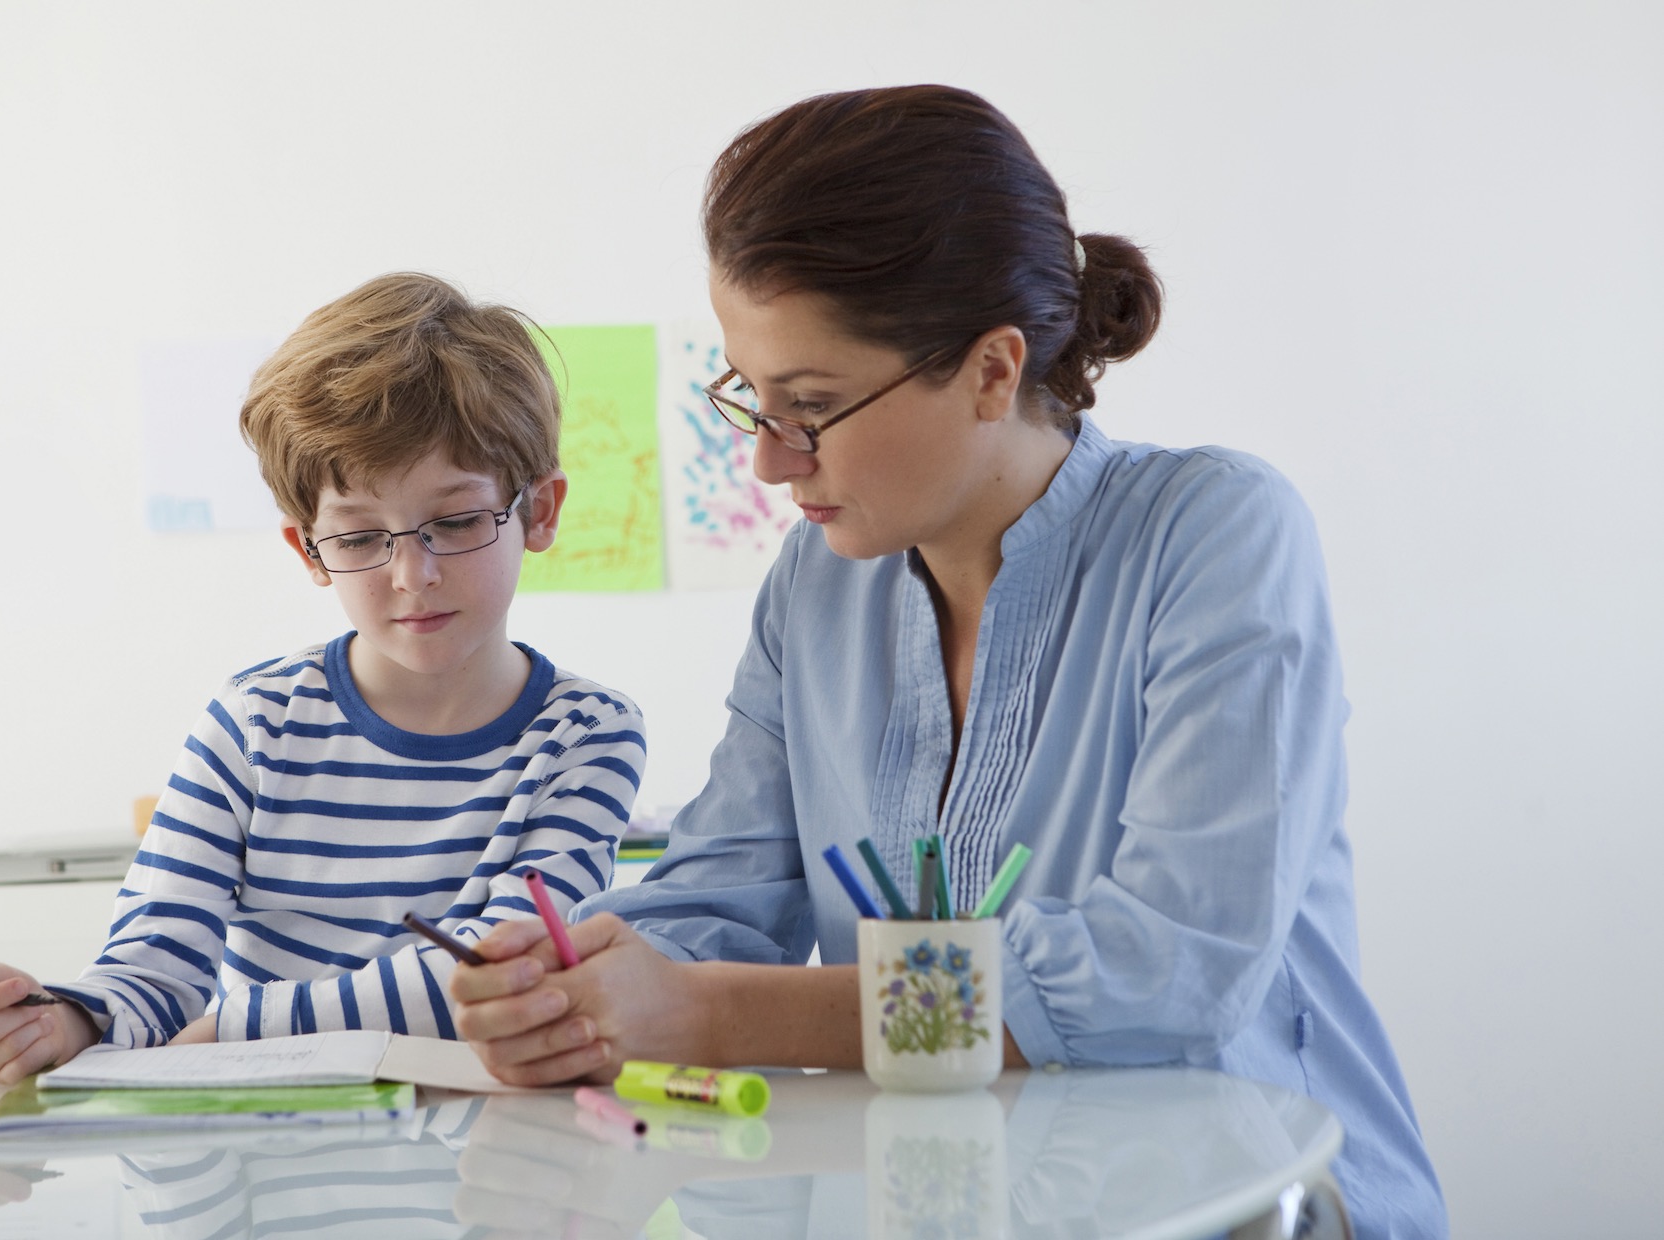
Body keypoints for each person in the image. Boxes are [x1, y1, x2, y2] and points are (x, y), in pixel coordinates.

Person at [449, 86, 1447, 1236]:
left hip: (1245, 1208)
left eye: (812, 407)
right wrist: (582, 986)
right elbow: (720, 896)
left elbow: (1167, 975)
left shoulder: (1218, 533)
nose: (772, 464)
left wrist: (708, 1013)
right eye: (750, 399)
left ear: (989, 369)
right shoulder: (818, 584)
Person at [0, 272, 646, 1082]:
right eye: (357, 537)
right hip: (270, 1160)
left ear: (541, 511)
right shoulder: (254, 723)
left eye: (453, 521)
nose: (413, 574)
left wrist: (235, 1028)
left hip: (494, 1156)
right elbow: (153, 963)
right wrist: (63, 1020)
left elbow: (508, 977)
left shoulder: (588, 733)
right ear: (308, 551)